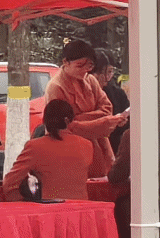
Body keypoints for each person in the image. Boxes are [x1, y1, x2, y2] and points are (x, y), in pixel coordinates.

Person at [47, 39, 126, 177]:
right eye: (80, 66)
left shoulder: (90, 80)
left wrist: (79, 118)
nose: (85, 70)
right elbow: (64, 126)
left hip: (100, 145)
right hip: (70, 148)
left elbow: (107, 109)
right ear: (66, 62)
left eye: (89, 66)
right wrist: (103, 122)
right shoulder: (56, 87)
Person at [4, 98, 94, 200]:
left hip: (49, 207)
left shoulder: (34, 146)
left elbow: (9, 183)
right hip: (82, 207)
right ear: (69, 121)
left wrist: (23, 202)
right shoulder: (87, 145)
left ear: (45, 121)